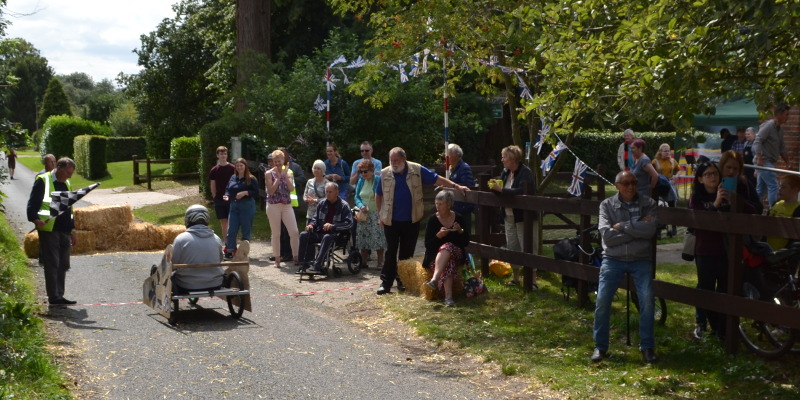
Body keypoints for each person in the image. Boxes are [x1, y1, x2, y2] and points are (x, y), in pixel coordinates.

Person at [375, 147, 469, 295]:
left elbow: (436, 179)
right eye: (391, 160)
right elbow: (378, 194)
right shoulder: (384, 173)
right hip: (390, 220)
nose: (393, 163)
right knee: (391, 251)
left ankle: (403, 281)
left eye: (396, 160)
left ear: (404, 159)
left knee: (407, 253)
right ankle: (385, 283)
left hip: (411, 219)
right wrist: (380, 215)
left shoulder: (417, 170)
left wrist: (456, 186)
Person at [591, 171, 658, 364]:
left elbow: (651, 230)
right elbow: (608, 237)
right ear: (617, 185)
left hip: (640, 258)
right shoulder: (606, 205)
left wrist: (623, 226)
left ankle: (647, 347)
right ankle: (600, 346)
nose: (631, 187)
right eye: (626, 183)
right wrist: (637, 229)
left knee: (647, 300)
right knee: (602, 300)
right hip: (613, 258)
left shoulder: (649, 204)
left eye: (634, 183)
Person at [689, 160, 756, 340]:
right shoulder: (697, 199)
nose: (712, 177)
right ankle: (711, 326)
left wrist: (734, 199)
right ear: (700, 179)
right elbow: (699, 222)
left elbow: (752, 211)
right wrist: (716, 203)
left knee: (726, 289)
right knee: (707, 290)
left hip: (727, 251)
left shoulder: (728, 194)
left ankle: (723, 330)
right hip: (705, 251)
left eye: (715, 173)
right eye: (708, 174)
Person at [27, 157, 78, 305]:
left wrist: (73, 229)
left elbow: (70, 208)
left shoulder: (67, 182)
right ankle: (54, 297)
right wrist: (35, 220)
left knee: (63, 264)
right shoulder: (43, 180)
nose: (70, 176)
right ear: (59, 168)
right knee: (52, 263)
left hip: (65, 229)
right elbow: (32, 203)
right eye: (68, 173)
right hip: (49, 229)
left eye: (71, 173)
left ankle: (59, 295)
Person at [490, 145, 539, 289]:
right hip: (509, 216)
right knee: (512, 246)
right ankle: (516, 278)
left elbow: (523, 191)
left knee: (528, 246)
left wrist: (502, 190)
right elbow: (503, 190)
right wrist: (495, 186)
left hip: (524, 217)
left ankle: (533, 281)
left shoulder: (526, 172)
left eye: (504, 157)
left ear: (512, 159)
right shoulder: (505, 172)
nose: (502, 160)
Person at [423, 190, 470, 307]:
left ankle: (434, 279)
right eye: (436, 203)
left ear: (449, 205)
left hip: (456, 252)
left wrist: (460, 231)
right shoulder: (433, 220)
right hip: (436, 256)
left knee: (448, 246)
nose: (437, 207)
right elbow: (428, 245)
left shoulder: (458, 218)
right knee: (449, 263)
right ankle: (448, 298)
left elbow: (465, 242)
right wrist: (438, 236)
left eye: (441, 204)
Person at [298, 182, 353, 273]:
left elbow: (349, 223)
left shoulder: (344, 206)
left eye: (330, 192)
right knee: (304, 235)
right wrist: (311, 225)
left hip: (337, 235)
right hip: (321, 232)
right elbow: (315, 218)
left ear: (337, 192)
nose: (328, 194)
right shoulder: (322, 203)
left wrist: (333, 226)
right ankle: (304, 264)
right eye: (326, 192)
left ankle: (317, 265)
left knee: (327, 237)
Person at [170, 205, 225, 292]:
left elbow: (173, 262)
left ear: (188, 219)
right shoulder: (216, 238)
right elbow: (220, 259)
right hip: (215, 283)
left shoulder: (181, 239)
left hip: (187, 285)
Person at [265, 149, 299, 268]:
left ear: (283, 160)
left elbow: (290, 189)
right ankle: (277, 259)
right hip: (273, 205)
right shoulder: (269, 173)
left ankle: (296, 256)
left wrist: (284, 175)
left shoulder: (289, 173)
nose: (277, 163)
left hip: (286, 205)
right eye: (275, 161)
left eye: (279, 161)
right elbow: (271, 190)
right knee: (276, 233)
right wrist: (278, 178)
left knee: (294, 231)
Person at [754, 103, 792, 207]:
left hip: (769, 161)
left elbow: (782, 148)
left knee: (760, 189)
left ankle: (753, 207)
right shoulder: (769, 126)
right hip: (765, 161)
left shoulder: (780, 130)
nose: (787, 117)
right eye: (786, 114)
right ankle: (774, 211)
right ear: (779, 114)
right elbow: (757, 141)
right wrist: (759, 158)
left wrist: (788, 162)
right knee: (774, 186)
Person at [222, 158, 259, 260]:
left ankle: (243, 252)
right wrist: (226, 195)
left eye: (241, 165)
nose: (239, 167)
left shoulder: (251, 178)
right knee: (231, 229)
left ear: (245, 166)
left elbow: (256, 192)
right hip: (234, 206)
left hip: (247, 206)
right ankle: (230, 251)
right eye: (237, 166)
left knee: (246, 230)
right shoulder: (233, 177)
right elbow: (228, 189)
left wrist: (245, 193)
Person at [354, 158, 386, 269]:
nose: (363, 174)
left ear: (371, 170)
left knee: (378, 237)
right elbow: (356, 196)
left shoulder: (378, 180)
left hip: (376, 213)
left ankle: (380, 262)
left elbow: (382, 196)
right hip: (364, 214)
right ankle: (363, 261)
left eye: (365, 171)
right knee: (363, 237)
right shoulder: (361, 181)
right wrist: (361, 205)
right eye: (361, 172)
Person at [652, 143, 680, 236]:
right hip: (659, 185)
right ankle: (658, 230)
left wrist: (676, 176)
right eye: (665, 151)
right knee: (659, 207)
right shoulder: (655, 162)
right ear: (660, 152)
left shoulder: (672, 161)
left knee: (672, 207)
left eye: (668, 151)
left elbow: (679, 170)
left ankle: (674, 228)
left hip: (670, 185)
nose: (667, 152)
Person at [766, 174, 800, 250]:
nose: (779, 189)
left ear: (795, 189)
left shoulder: (797, 209)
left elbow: (795, 238)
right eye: (780, 186)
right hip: (767, 249)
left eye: (783, 187)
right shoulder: (776, 204)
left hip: (783, 254)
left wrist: (784, 253)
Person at [209, 146, 235, 243]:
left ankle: (233, 243)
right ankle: (227, 243)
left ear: (227, 155)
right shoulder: (214, 170)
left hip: (231, 199)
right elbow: (213, 185)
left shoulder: (233, 168)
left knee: (232, 222)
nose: (223, 155)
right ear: (217, 155)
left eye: (225, 153)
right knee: (224, 223)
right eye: (221, 154)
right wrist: (215, 197)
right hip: (219, 199)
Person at [447, 143, 475, 235]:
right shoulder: (451, 168)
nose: (446, 156)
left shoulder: (464, 168)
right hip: (454, 206)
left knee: (463, 234)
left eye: (449, 153)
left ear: (456, 155)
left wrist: (450, 186)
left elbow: (467, 185)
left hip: (463, 207)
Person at [304, 160, 328, 225]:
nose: (316, 170)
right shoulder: (309, 182)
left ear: (323, 170)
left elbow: (328, 199)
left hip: (322, 214)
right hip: (310, 214)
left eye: (318, 169)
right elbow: (305, 195)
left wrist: (315, 200)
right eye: (315, 168)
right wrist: (307, 199)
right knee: (309, 233)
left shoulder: (327, 183)